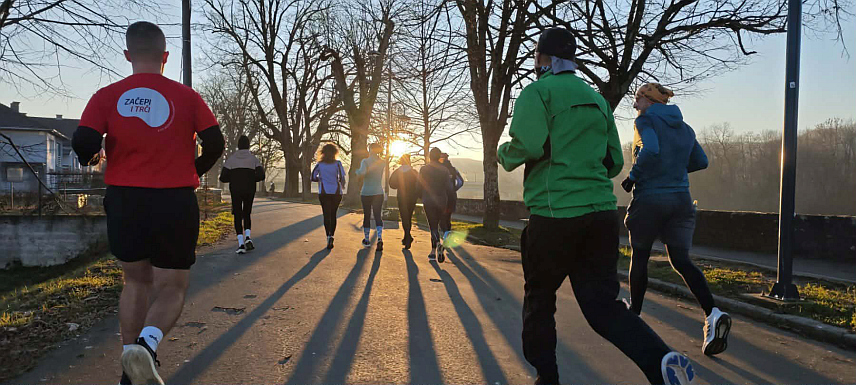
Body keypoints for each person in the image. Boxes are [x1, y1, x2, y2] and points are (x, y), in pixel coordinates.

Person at [497, 27, 697, 385]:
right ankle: (661, 362)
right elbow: (612, 162)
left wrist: (504, 154)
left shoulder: (537, 93)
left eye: (535, 56)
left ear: (542, 58)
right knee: (602, 307)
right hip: (601, 215)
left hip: (555, 215)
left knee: (540, 298)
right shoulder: (597, 99)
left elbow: (525, 145)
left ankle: (548, 376)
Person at [71, 21, 224, 385]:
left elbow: (83, 142)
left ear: (127, 55)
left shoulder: (106, 96)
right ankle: (147, 344)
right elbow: (215, 143)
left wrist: (93, 156)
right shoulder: (187, 97)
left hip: (125, 200)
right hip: (174, 200)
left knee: (136, 282)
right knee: (172, 286)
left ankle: (130, 370)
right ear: (165, 57)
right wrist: (193, 169)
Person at [621, 83, 730, 356]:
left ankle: (633, 315)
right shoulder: (685, 127)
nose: (635, 106)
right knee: (681, 260)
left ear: (649, 101)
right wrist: (675, 169)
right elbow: (701, 161)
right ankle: (713, 313)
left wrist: (632, 177)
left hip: (650, 200)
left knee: (640, 256)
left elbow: (651, 149)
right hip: (681, 200)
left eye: (637, 99)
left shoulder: (645, 121)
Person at [219, 135, 265, 254]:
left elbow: (223, 177)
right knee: (247, 212)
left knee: (238, 214)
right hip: (249, 189)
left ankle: (240, 243)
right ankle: (248, 237)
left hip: (236, 190)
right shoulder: (253, 159)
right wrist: (250, 178)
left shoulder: (231, 159)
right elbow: (261, 175)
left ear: (238, 145)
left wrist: (234, 178)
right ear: (248, 145)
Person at [418, 148, 453, 262]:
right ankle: (443, 242)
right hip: (442, 200)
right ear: (439, 157)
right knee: (442, 223)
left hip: (428, 200)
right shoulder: (444, 170)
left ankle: (434, 249)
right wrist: (450, 200)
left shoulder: (424, 169)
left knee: (433, 225)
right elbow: (449, 188)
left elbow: (419, 184)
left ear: (429, 156)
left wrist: (420, 196)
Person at [311, 143, 347, 249]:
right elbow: (342, 178)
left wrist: (321, 179)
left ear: (322, 153)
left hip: (324, 192)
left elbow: (312, 177)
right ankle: (332, 235)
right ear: (335, 153)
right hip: (336, 192)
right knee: (333, 214)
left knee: (326, 215)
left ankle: (328, 236)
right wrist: (341, 184)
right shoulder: (338, 163)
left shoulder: (319, 164)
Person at [355, 143, 387, 251]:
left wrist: (357, 171)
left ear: (371, 150)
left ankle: (367, 239)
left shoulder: (365, 161)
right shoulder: (383, 162)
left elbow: (362, 173)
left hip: (366, 192)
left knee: (367, 215)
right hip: (378, 192)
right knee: (378, 215)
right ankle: (379, 238)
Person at [389, 154, 420, 249]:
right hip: (412, 197)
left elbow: (391, 184)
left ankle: (407, 237)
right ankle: (407, 237)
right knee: (409, 216)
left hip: (401, 197)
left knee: (404, 217)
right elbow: (419, 184)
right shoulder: (414, 172)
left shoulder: (397, 172)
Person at [439, 152, 464, 242]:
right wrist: (453, 189)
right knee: (448, 217)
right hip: (451, 196)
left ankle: (446, 233)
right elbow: (461, 182)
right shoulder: (454, 169)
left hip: (441, 196)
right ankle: (448, 233)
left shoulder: (439, 170)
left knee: (441, 217)